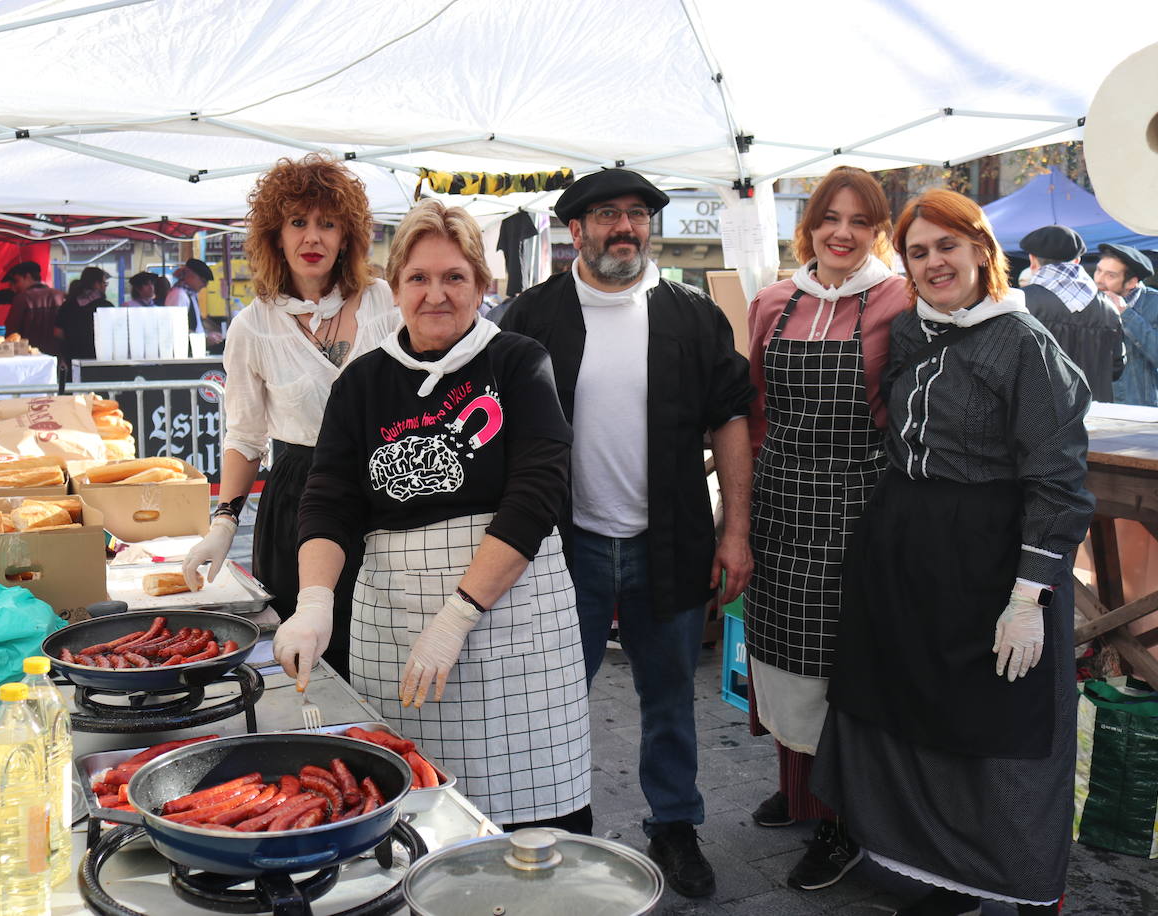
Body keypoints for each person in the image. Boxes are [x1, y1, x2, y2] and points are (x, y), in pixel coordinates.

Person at [812, 190, 1094, 916]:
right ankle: (918, 870)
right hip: (905, 551)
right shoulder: (911, 331)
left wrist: (1029, 596)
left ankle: (1001, 881)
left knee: (993, 719)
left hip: (990, 559)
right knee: (902, 706)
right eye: (918, 251)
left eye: (947, 245)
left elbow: (1058, 480)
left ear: (979, 250)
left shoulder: (1025, 342)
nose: (934, 262)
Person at [274, 199, 592, 832]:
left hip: (510, 611)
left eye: (454, 277)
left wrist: (459, 613)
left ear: (481, 285)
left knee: (531, 814)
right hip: (392, 613)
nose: (436, 294)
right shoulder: (363, 382)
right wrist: (314, 601)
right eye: (419, 278)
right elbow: (330, 500)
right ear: (395, 289)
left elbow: (536, 492)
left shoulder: (517, 361)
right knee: (408, 807)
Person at [498, 169, 754, 898]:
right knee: (550, 695)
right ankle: (547, 830)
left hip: (668, 537)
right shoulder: (532, 316)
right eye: (606, 214)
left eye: (637, 214)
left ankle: (674, 825)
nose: (625, 227)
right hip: (561, 543)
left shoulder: (690, 315)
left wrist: (735, 530)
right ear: (574, 230)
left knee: (671, 697)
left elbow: (731, 417)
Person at [742, 166, 907, 891]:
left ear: (878, 232)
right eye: (829, 218)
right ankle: (805, 791)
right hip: (781, 502)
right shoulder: (772, 301)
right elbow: (753, 412)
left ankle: (844, 822)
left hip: (856, 508)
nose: (843, 233)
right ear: (807, 225)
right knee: (782, 657)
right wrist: (736, 517)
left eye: (860, 221)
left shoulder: (900, 299)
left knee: (845, 668)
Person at [183, 154, 398, 680]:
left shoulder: (383, 302)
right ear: (274, 235)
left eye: (328, 223)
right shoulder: (252, 327)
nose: (313, 236)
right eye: (298, 222)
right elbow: (246, 434)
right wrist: (222, 523)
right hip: (298, 500)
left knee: (382, 648)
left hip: (385, 488)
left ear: (348, 235)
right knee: (310, 659)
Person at [1020, 225, 1125, 402]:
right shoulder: (1109, 308)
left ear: (1033, 261)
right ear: (1077, 261)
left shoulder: (1020, 301)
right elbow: (1116, 368)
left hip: (1036, 415)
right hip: (1094, 414)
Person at [1094, 243, 1158, 407]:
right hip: (1096, 404)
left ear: (1131, 282)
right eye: (1098, 270)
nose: (1099, 279)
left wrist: (1126, 313)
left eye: (1110, 276)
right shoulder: (1088, 300)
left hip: (1139, 408)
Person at [2, 260, 63, 356]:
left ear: (28, 277)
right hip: (57, 359)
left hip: (30, 360)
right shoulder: (60, 296)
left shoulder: (22, 299)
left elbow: (11, 335)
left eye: (17, 281)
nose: (14, 287)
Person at [54, 278, 107, 362]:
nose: (105, 286)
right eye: (105, 283)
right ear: (97, 284)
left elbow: (58, 332)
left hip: (72, 355)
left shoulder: (67, 306)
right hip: (100, 357)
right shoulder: (105, 306)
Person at [166, 257, 213, 334]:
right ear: (190, 275)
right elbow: (176, 328)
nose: (204, 285)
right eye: (203, 281)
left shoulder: (191, 294)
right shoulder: (178, 295)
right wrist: (205, 338)